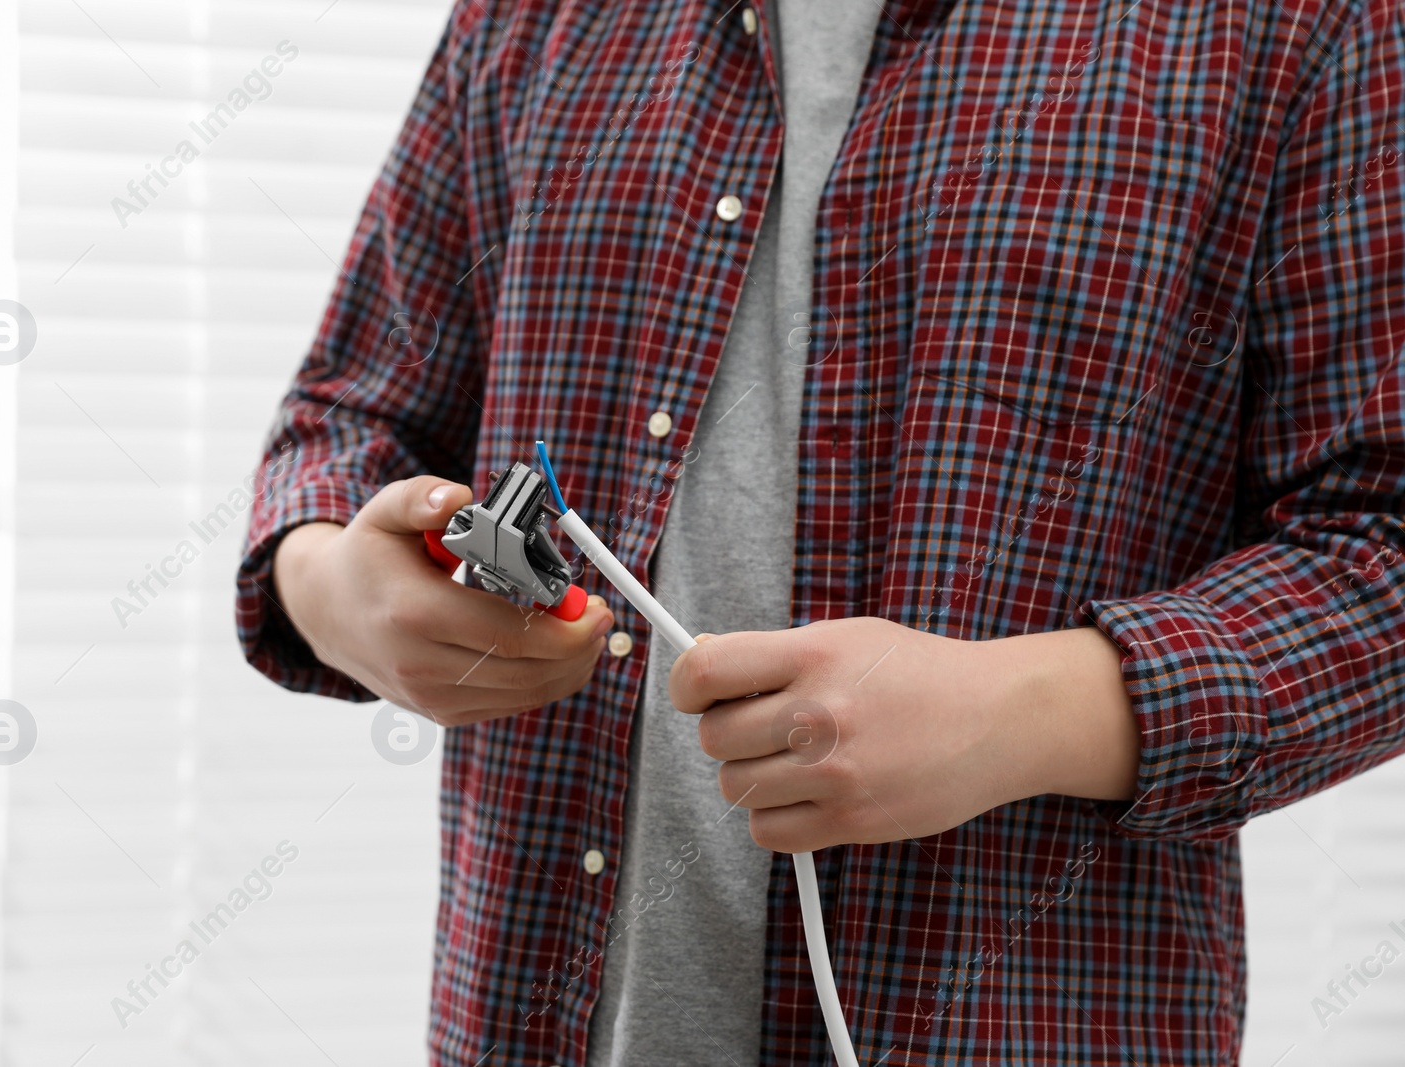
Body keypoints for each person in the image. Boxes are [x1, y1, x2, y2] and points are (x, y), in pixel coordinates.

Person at [237, 0, 1405, 1062]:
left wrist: (1032, 709)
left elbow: (1381, 543)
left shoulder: (1299, 23)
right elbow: (346, 422)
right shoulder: (528, 18)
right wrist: (337, 588)